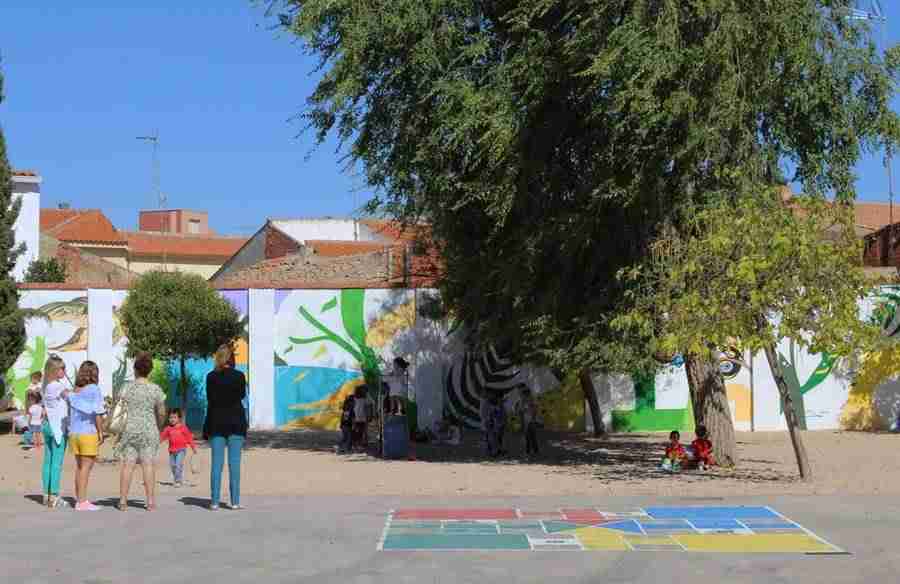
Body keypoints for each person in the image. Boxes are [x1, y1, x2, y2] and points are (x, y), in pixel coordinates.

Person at [115, 352, 166, 512]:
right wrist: (158, 425)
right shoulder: (155, 389)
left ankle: (123, 501)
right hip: (149, 429)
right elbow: (162, 412)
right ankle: (150, 502)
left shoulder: (126, 387)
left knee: (128, 465)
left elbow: (118, 406)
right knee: (148, 464)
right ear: (149, 370)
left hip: (129, 429)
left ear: (135, 369)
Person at [204, 344, 248, 511]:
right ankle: (234, 501)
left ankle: (214, 502)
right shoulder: (239, 376)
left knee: (216, 464)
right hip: (236, 422)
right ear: (232, 358)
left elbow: (210, 399)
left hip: (216, 422)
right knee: (234, 464)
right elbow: (242, 395)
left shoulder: (210, 377)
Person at [67, 361, 106, 511]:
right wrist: (101, 431)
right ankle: (82, 502)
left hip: (74, 433)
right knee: (86, 468)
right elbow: (97, 412)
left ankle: (79, 499)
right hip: (87, 433)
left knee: (79, 467)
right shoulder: (94, 389)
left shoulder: (76, 389)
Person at [41, 355, 70, 508]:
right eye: (62, 368)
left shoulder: (45, 384)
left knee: (48, 461)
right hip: (57, 427)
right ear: (54, 370)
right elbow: (70, 397)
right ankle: (55, 496)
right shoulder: (57, 386)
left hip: (46, 425)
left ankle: (46, 495)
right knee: (56, 463)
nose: (65, 371)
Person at [160, 408, 197, 487]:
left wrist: (193, 447)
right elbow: (162, 437)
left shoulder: (183, 428)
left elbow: (189, 437)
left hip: (181, 450)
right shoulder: (168, 429)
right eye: (170, 417)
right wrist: (156, 444)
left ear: (179, 418)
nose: (172, 419)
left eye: (174, 417)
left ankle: (178, 480)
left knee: (178, 465)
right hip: (171, 451)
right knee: (172, 466)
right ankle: (177, 477)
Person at [517, 389, 541, 458]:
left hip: (529, 421)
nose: (522, 396)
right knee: (530, 437)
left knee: (530, 437)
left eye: (523, 395)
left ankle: (530, 452)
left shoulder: (530, 402)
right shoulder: (523, 402)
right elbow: (520, 412)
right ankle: (533, 451)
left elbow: (534, 411)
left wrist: (533, 419)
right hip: (527, 421)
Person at [352, 385, 373, 451]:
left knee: (361, 431)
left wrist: (370, 415)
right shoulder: (357, 398)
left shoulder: (364, 398)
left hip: (361, 417)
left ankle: (360, 444)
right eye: (364, 390)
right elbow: (371, 404)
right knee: (358, 431)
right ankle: (358, 445)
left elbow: (371, 404)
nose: (364, 391)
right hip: (357, 417)